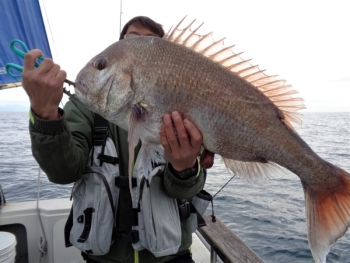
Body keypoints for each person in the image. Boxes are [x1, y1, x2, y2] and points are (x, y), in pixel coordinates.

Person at [22, 16, 206, 263]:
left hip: (171, 256)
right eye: (132, 39)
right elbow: (64, 172)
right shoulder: (84, 106)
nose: (142, 45)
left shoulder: (183, 103)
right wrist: (45, 115)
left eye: (152, 41)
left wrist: (184, 169)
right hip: (104, 258)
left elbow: (185, 190)